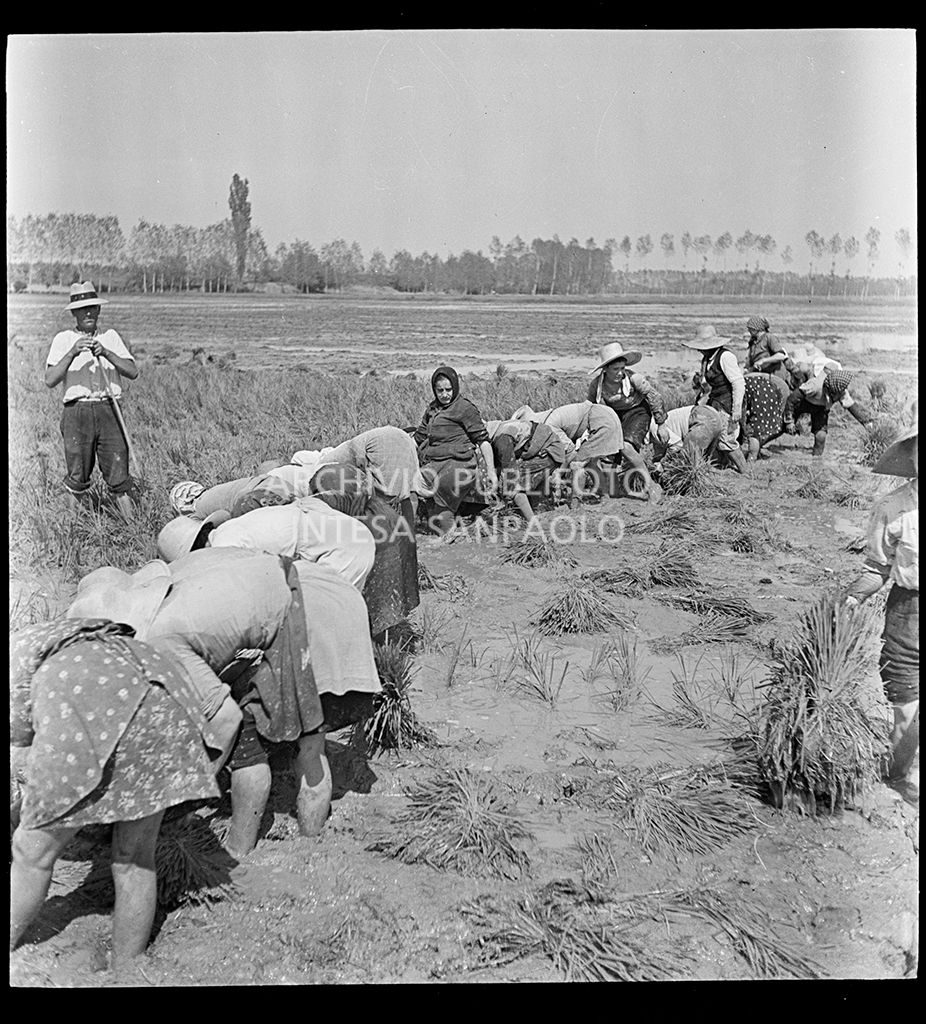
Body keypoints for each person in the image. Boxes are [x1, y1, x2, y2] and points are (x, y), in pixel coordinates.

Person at [70, 547, 381, 858]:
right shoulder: (183, 577)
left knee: (249, 736)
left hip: (309, 614)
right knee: (311, 741)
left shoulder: (161, 639)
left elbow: (224, 719)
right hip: (330, 592)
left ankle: (239, 853)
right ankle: (311, 853)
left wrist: (185, 792)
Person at [10, 616, 223, 967]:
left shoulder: (26, 662)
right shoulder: (52, 637)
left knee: (31, 852)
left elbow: (26, 744)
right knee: (134, 855)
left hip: (86, 691)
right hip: (161, 687)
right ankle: (126, 968)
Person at [844, 428, 918, 805]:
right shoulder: (893, 508)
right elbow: (877, 569)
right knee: (907, 717)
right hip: (908, 615)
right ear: (912, 456)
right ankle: (898, 782)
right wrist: (850, 601)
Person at [44, 282, 138, 522]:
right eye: (81, 309)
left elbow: (132, 371)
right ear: (74, 313)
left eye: (92, 308)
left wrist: (106, 352)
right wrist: (73, 352)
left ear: (98, 310)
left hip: (110, 410)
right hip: (77, 412)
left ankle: (133, 529)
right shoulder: (63, 339)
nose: (87, 313)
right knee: (77, 475)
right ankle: (71, 529)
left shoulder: (110, 337)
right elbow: (50, 379)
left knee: (119, 474)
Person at [157, 497, 376, 589]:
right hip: (343, 534)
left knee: (329, 618)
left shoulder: (227, 547)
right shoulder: (231, 530)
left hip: (341, 548)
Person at [512, 400, 660, 501]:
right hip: (604, 415)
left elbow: (570, 453)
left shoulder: (547, 426)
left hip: (600, 419)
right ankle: (607, 496)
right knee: (596, 461)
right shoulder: (547, 419)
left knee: (578, 463)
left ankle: (576, 503)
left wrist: (558, 475)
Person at [413, 366, 497, 534]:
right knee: (432, 521)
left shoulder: (465, 408)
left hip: (459, 465)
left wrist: (491, 471)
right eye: (440, 390)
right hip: (434, 464)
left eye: (448, 390)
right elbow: (418, 438)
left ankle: (455, 544)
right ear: (434, 390)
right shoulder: (432, 409)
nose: (445, 394)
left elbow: (483, 441)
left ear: (455, 387)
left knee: (442, 518)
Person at [586, 342, 671, 488]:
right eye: (615, 369)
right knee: (607, 453)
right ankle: (613, 490)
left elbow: (654, 396)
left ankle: (650, 486)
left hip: (637, 411)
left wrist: (661, 424)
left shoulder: (634, 379)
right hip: (614, 415)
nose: (620, 373)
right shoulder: (597, 385)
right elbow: (589, 406)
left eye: (622, 368)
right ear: (605, 369)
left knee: (626, 446)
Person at [683, 325, 749, 474]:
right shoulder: (707, 359)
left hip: (728, 402)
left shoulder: (726, 357)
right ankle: (722, 467)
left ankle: (746, 472)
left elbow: (738, 383)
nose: (699, 350)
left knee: (727, 439)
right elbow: (706, 386)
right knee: (715, 436)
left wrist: (736, 410)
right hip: (716, 401)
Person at [484, 418, 573, 523]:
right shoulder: (498, 429)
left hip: (549, 450)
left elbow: (510, 473)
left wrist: (504, 496)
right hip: (545, 445)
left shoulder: (502, 439)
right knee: (515, 484)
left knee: (515, 484)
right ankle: (537, 510)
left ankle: (531, 522)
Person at [783, 366, 872, 458]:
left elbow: (851, 406)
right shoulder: (815, 386)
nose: (840, 394)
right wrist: (789, 421)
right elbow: (792, 400)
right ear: (831, 389)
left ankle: (816, 460)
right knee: (781, 427)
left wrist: (866, 422)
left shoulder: (840, 391)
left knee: (821, 437)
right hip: (803, 404)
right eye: (837, 393)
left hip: (821, 410)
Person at [643, 403, 727, 466]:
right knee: (703, 461)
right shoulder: (653, 425)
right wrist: (657, 461)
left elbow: (677, 445)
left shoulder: (654, 428)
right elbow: (660, 451)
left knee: (689, 463)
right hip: (711, 414)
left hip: (702, 418)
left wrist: (663, 463)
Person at [741, 372, 791, 462]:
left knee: (753, 432)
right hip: (772, 392)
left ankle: (751, 459)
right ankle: (754, 455)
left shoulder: (739, 384)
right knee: (758, 430)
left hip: (760, 395)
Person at [744, 316, 790, 382]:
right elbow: (750, 360)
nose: (748, 331)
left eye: (750, 329)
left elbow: (781, 356)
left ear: (756, 328)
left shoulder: (769, 337)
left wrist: (763, 361)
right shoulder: (753, 342)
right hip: (762, 374)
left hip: (775, 374)